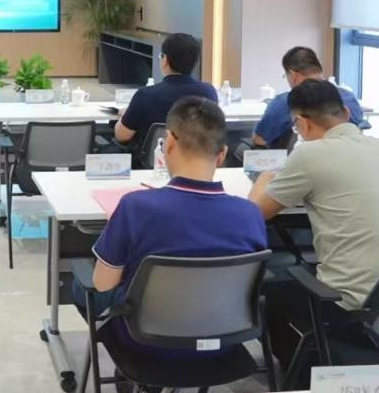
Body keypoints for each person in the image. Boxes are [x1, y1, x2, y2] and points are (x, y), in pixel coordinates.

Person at [249, 79, 379, 376]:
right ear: (347, 114)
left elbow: (253, 215)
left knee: (272, 289)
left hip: (356, 308)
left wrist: (263, 180)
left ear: (302, 123)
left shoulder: (309, 154)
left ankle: (312, 376)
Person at [75, 96, 267, 359]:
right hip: (224, 343)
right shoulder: (250, 213)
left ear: (169, 143)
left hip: (145, 342)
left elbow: (103, 284)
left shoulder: (135, 207)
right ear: (222, 154)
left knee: (82, 285)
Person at [113, 33, 217, 162]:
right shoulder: (209, 93)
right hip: (194, 165)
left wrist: (125, 115)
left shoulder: (145, 95)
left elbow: (121, 136)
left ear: (165, 60)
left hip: (153, 166)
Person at [251, 46, 364, 148]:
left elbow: (260, 140)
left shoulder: (285, 102)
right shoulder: (349, 98)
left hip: (296, 160)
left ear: (293, 75)